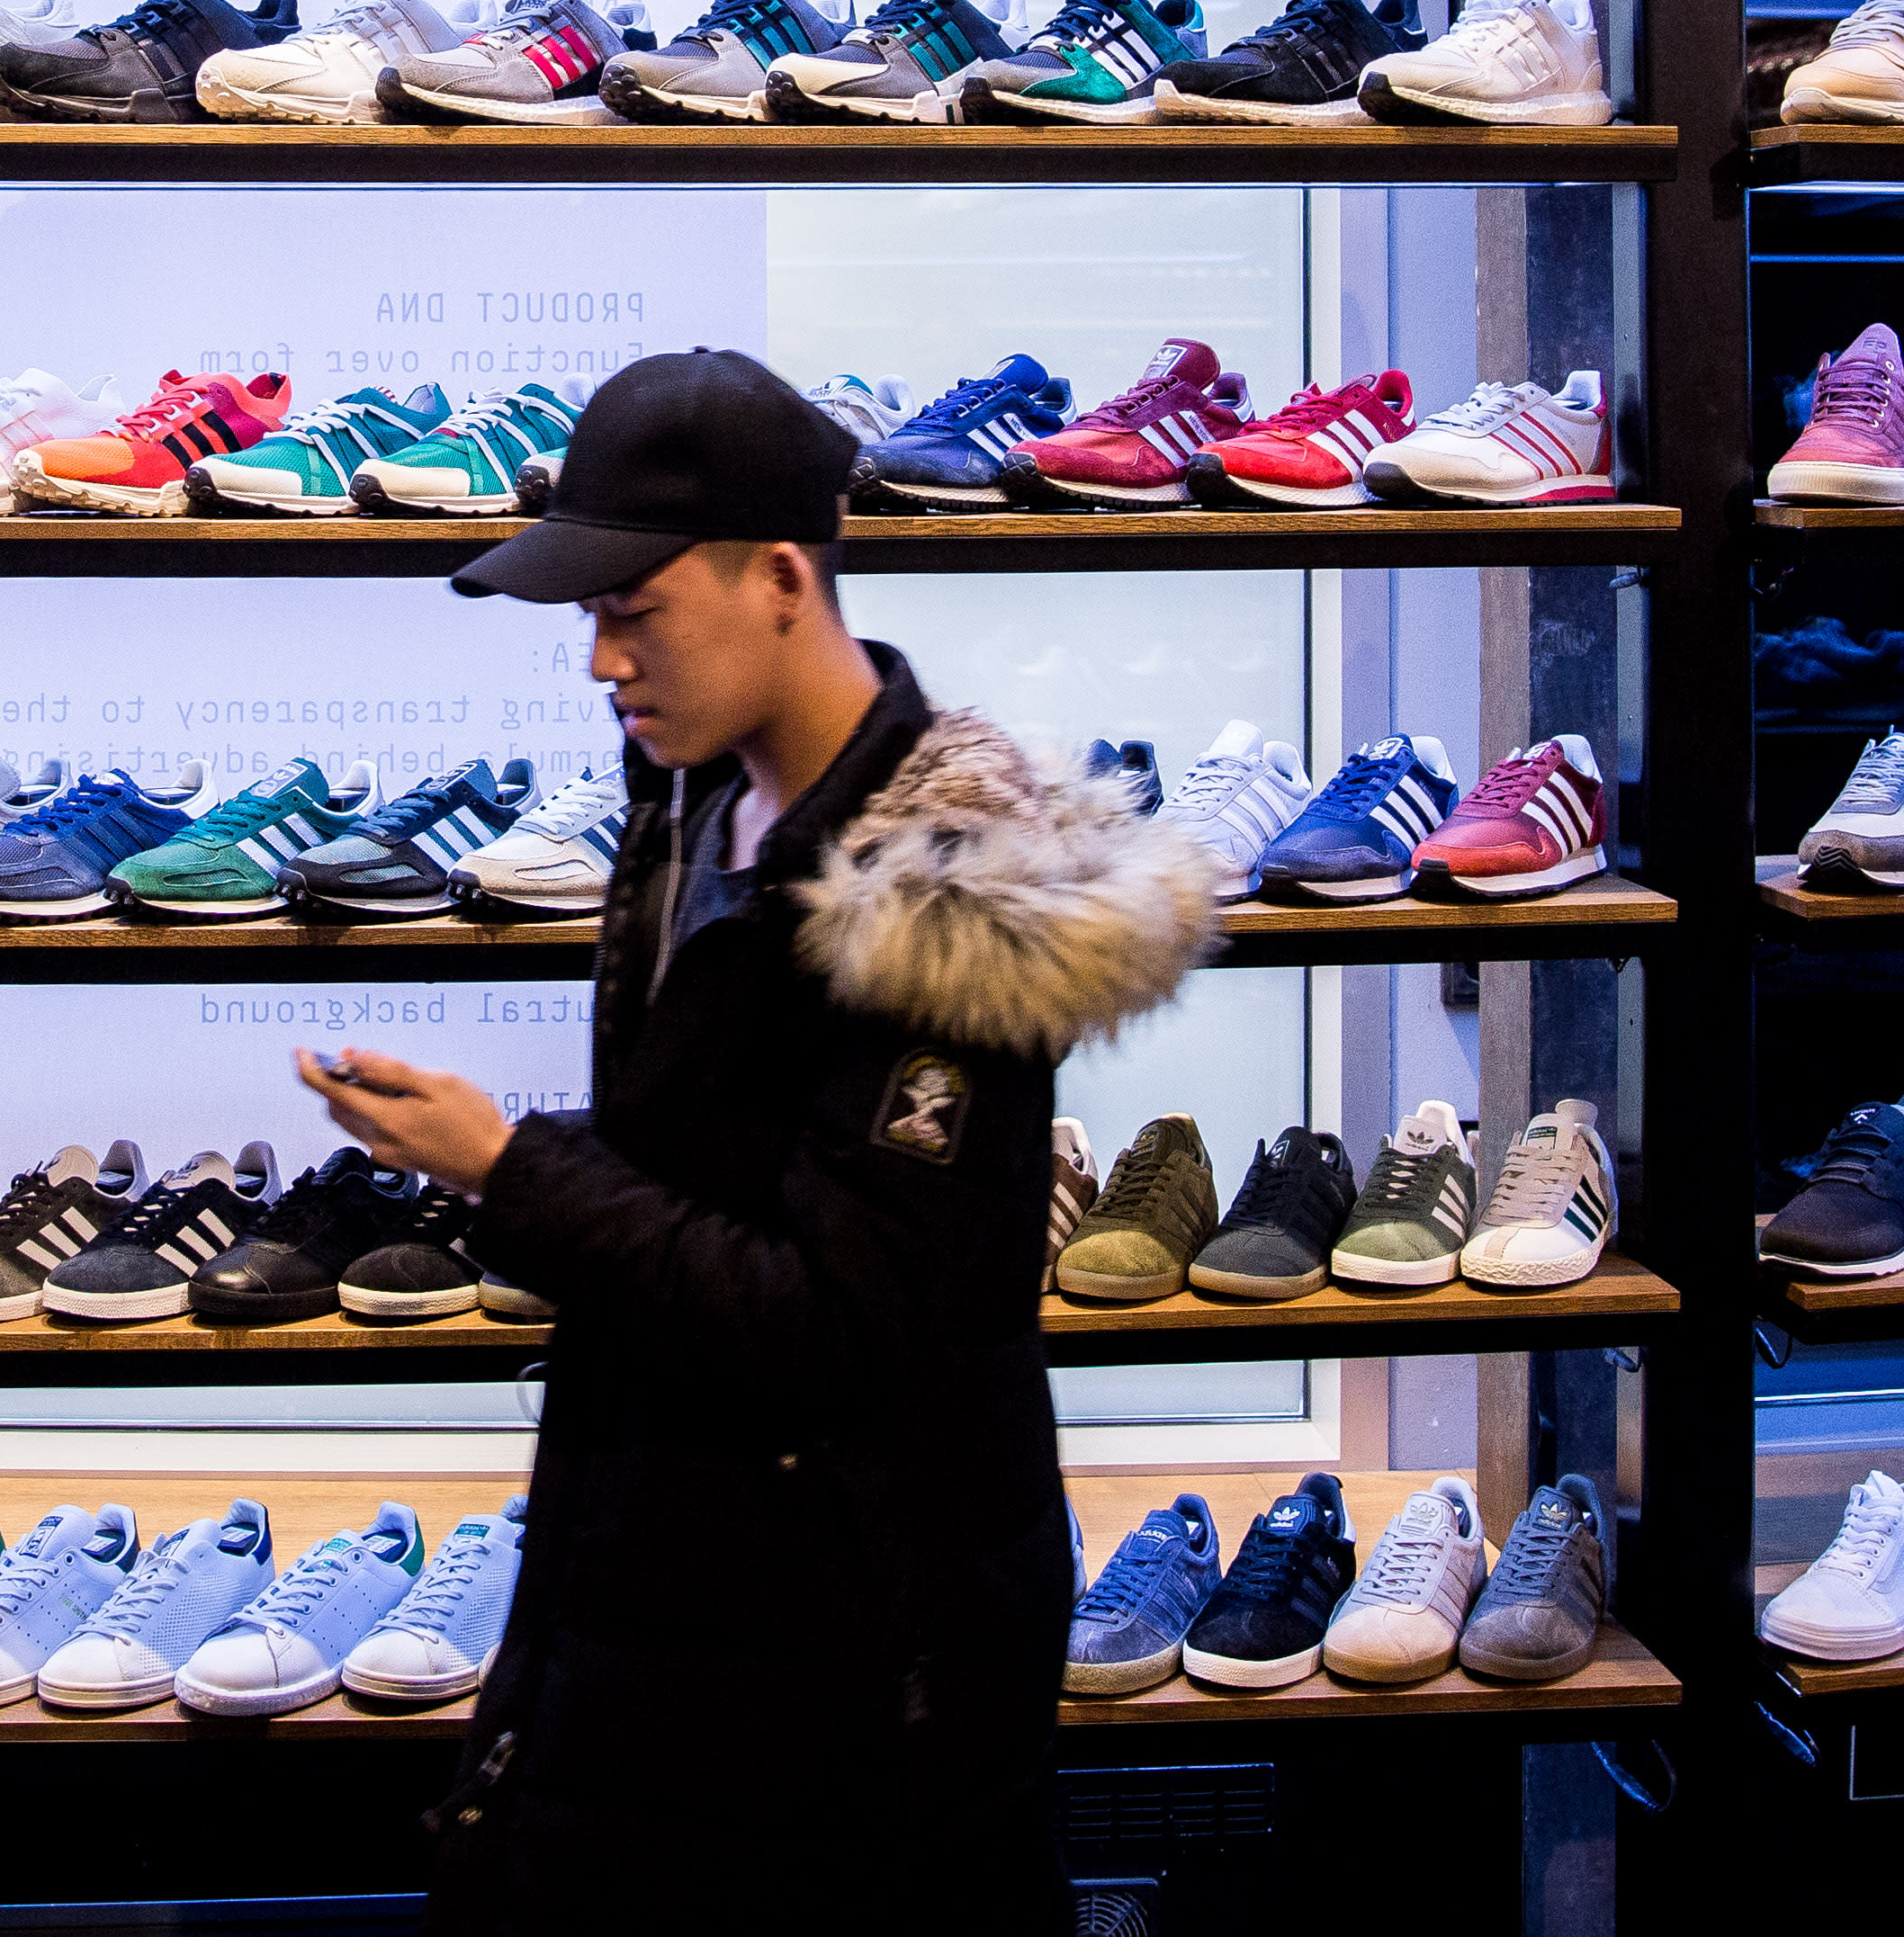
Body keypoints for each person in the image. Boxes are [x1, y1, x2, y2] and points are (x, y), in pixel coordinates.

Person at [297, 347, 1218, 1933]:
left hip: (860, 1651)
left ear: (782, 577)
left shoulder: (947, 902)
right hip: (669, 1567)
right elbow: (712, 1167)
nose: (599, 662)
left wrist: (507, 1168)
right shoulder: (685, 805)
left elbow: (840, 1323)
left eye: (632, 612)